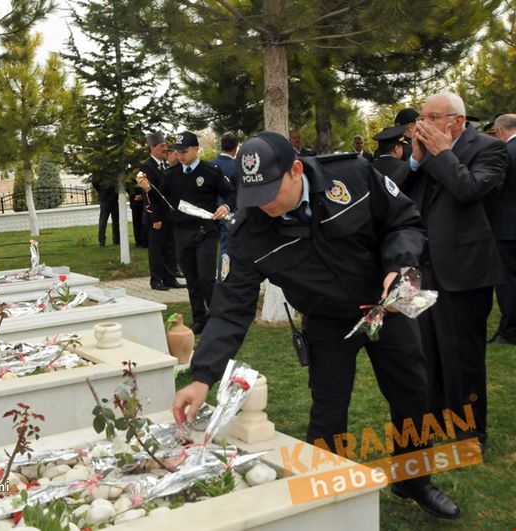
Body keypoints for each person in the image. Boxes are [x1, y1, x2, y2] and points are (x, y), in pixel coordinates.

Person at [173, 131, 460, 519]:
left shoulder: (354, 176)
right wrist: (201, 376)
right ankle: (325, 491)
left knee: (413, 393)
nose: (265, 206)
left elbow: (404, 222)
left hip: (384, 306)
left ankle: (414, 478)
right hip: (327, 321)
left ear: (296, 170)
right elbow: (229, 310)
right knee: (328, 408)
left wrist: (400, 266)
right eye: (254, 196)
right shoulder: (248, 233)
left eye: (272, 192)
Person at [403, 92, 508, 453]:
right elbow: (397, 196)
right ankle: (431, 422)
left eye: (431, 116)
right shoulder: (423, 152)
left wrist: (441, 153)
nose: (422, 123)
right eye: (422, 116)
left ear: (457, 122)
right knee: (425, 351)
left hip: (465, 269)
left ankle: (468, 431)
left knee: (463, 354)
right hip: (424, 266)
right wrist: (415, 162)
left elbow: (468, 189)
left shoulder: (489, 149)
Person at [138, 131, 235, 333]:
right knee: (191, 278)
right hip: (181, 232)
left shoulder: (211, 171)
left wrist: (225, 207)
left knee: (207, 277)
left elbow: (230, 193)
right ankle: (199, 318)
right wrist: (148, 189)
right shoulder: (172, 174)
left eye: (184, 151)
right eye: (177, 152)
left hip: (206, 231)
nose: (180, 155)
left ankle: (218, 318)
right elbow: (160, 199)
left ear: (195, 149)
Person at [139, 131, 183, 291]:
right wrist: (155, 218)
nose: (165, 148)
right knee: (157, 250)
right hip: (156, 216)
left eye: (165, 145)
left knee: (170, 247)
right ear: (152, 148)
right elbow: (147, 195)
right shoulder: (146, 167)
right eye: (162, 146)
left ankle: (170, 277)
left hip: (169, 215)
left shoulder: (166, 165)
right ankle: (156, 280)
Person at [487, 113, 516, 345]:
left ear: (499, 131)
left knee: (507, 281)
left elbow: (495, 189)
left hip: (507, 228)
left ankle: (509, 331)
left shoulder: (505, 153)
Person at [209, 132, 240, 277]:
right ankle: (223, 275)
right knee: (226, 246)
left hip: (209, 211)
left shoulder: (209, 164)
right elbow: (238, 192)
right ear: (235, 147)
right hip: (229, 211)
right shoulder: (236, 167)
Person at [93, 177, 120, 247]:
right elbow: (94, 182)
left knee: (115, 220)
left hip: (112, 197)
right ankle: (102, 241)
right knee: (104, 221)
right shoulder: (102, 171)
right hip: (106, 198)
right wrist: (101, 190)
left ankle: (116, 240)